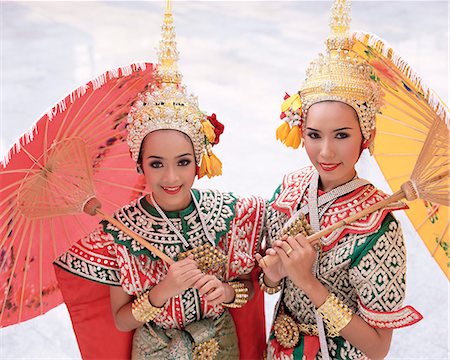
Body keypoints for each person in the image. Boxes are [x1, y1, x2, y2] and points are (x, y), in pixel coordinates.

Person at [54, 3, 266, 359]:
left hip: (218, 347)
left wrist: (226, 293)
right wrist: (162, 291)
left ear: (200, 161)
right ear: (139, 165)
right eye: (156, 164)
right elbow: (122, 320)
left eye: (183, 162)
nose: (171, 177)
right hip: (155, 350)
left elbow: (249, 288)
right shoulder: (121, 229)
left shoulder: (231, 214)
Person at [257, 1, 422, 359]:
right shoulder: (288, 191)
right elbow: (270, 285)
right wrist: (272, 274)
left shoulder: (379, 224)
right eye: (314, 135)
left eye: (342, 136)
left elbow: (378, 348)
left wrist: (308, 282)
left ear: (367, 134)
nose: (326, 152)